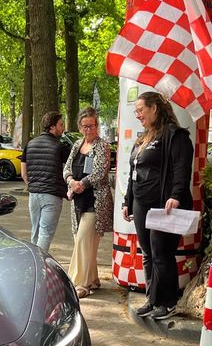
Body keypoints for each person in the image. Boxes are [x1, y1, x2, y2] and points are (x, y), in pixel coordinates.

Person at [121, 92, 193, 320]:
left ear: (154, 108)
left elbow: (182, 168)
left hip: (163, 204)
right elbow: (134, 172)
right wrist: (127, 201)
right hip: (140, 203)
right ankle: (152, 299)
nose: (137, 115)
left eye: (140, 110)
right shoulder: (143, 138)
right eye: (136, 111)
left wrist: (176, 195)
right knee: (148, 253)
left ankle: (168, 302)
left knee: (161, 252)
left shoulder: (174, 135)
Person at [64, 107, 113, 298]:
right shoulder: (77, 144)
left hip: (95, 200)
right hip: (78, 200)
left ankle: (79, 283)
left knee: (83, 240)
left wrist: (81, 184)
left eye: (92, 126)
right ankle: (92, 278)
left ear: (97, 126)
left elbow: (100, 172)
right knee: (84, 241)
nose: (89, 130)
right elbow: (67, 167)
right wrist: (71, 181)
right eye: (85, 126)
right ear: (79, 127)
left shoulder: (102, 146)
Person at [21, 111, 69, 253]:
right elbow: (69, 168)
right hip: (52, 195)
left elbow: (24, 173)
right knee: (45, 234)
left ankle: (33, 260)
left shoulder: (30, 144)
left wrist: (32, 185)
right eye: (60, 125)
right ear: (52, 127)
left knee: (35, 232)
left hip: (33, 195)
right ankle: (40, 263)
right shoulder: (60, 146)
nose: (63, 128)